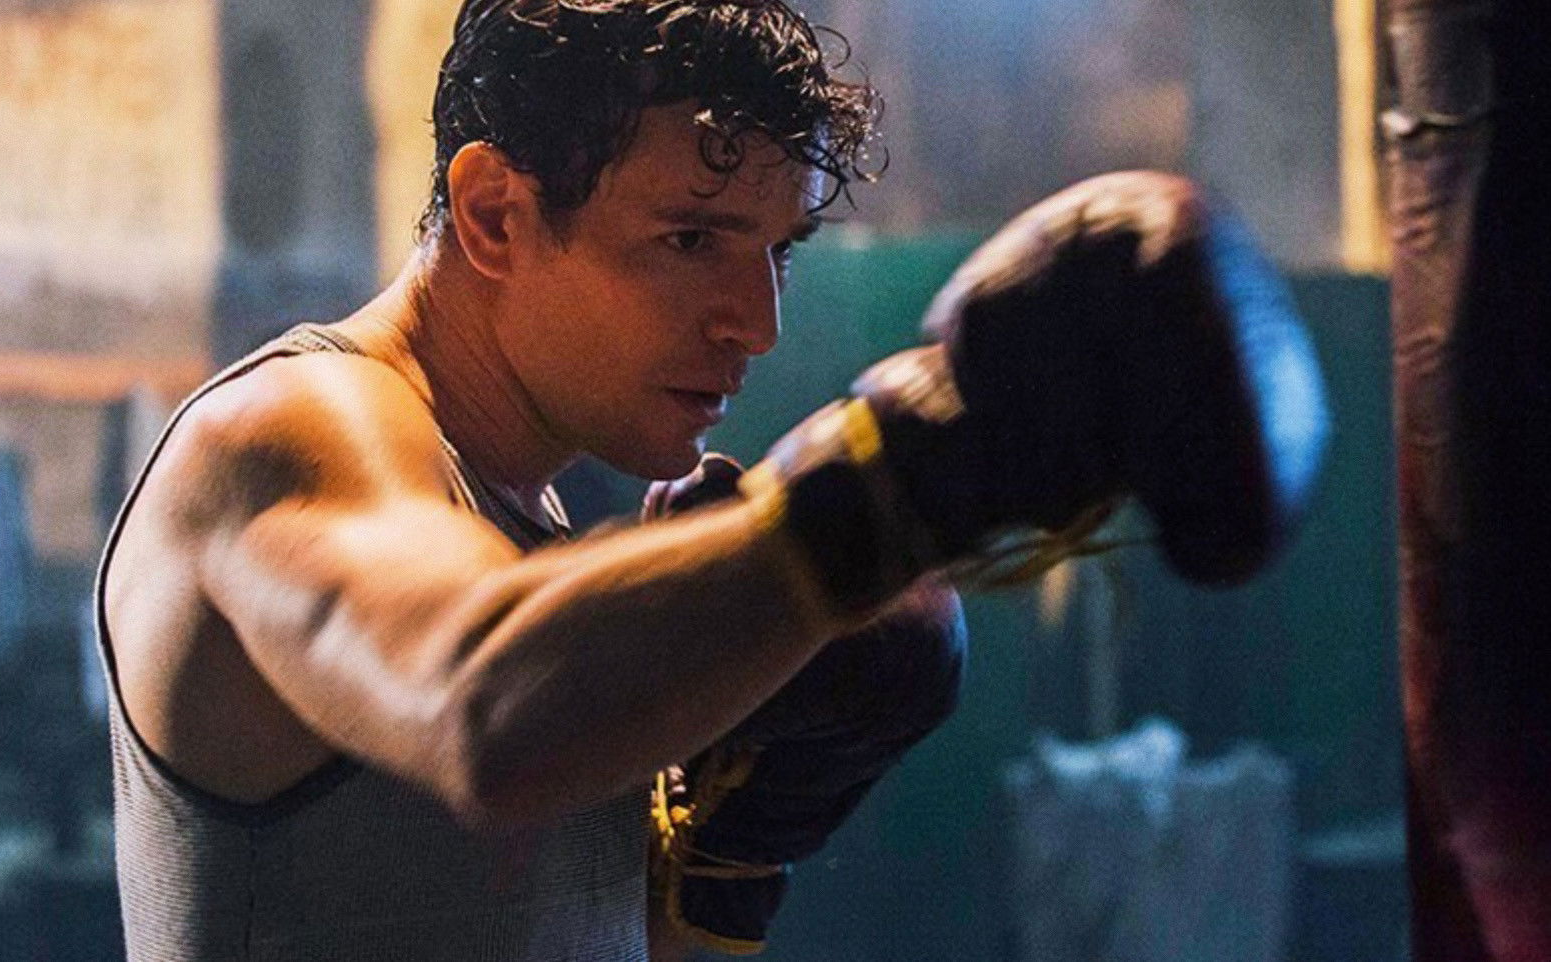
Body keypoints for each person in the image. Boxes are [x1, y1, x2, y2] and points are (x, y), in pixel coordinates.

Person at [96, 1, 1326, 960]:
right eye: (691, 238)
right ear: (494, 212)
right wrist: (902, 477)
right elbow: (481, 705)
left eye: (778, 250)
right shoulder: (286, 431)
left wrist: (730, 860)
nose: (757, 322)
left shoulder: (522, 522)